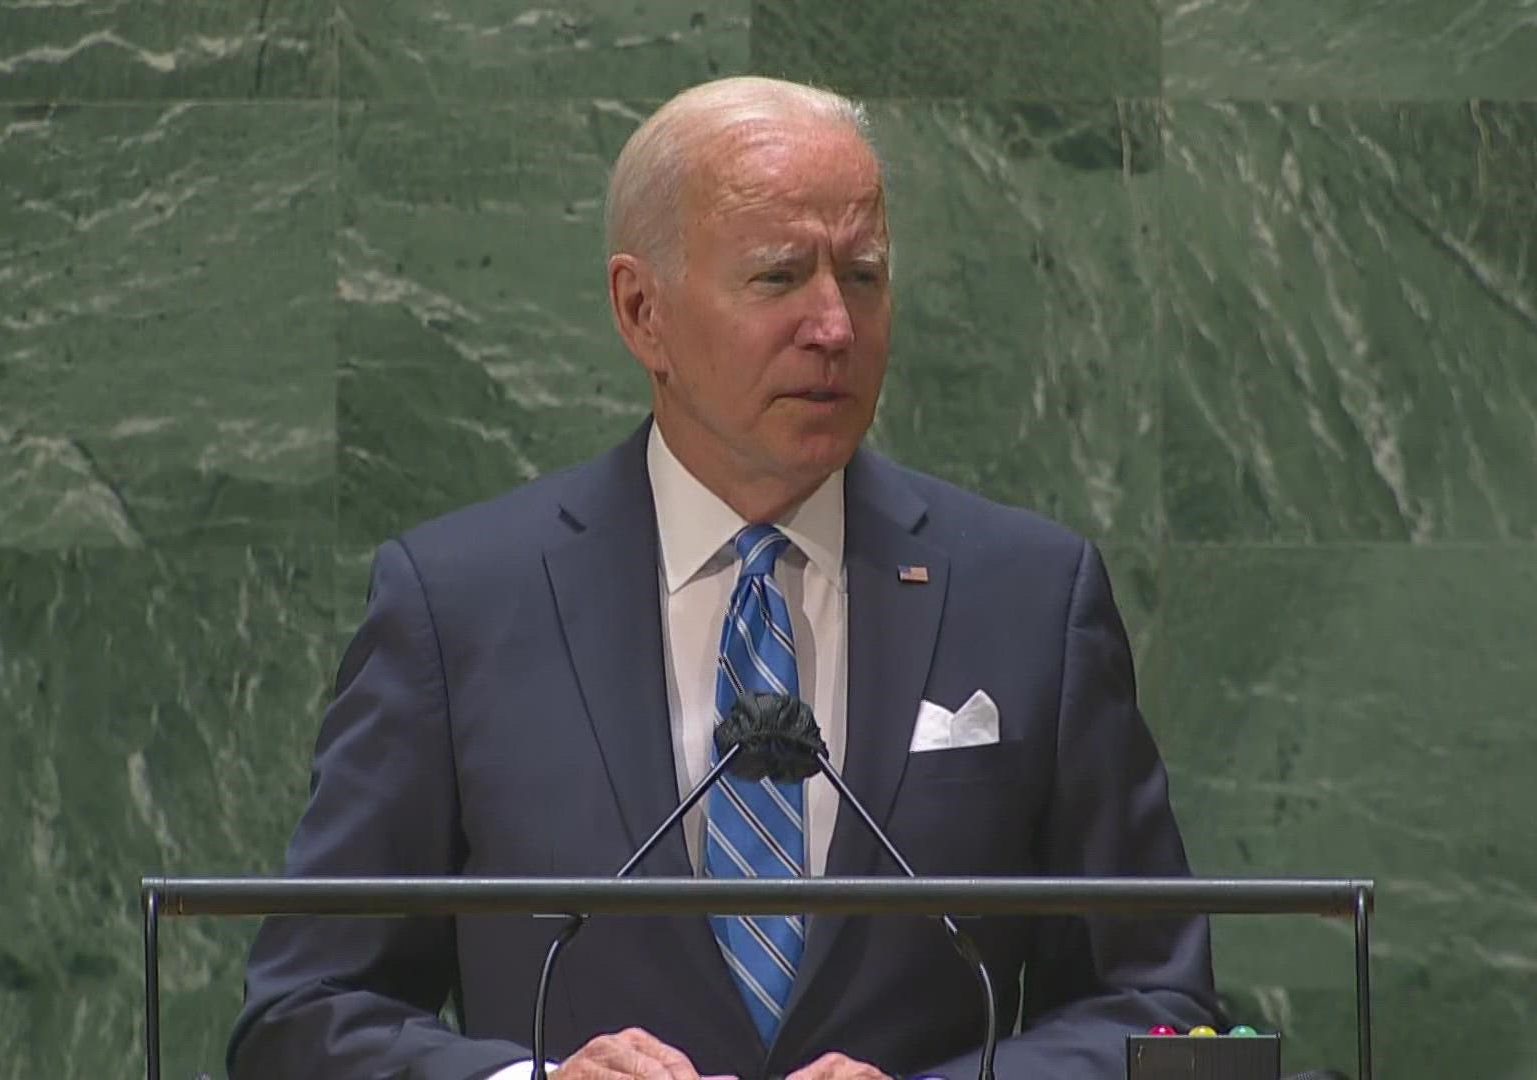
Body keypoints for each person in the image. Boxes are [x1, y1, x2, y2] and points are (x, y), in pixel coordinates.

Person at [229, 75, 1216, 1080]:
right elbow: (301, 1018)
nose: (834, 326)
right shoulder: (458, 607)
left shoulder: (1032, 600)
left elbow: (1168, 1018)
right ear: (641, 310)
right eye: (780, 277)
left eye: (864, 277)